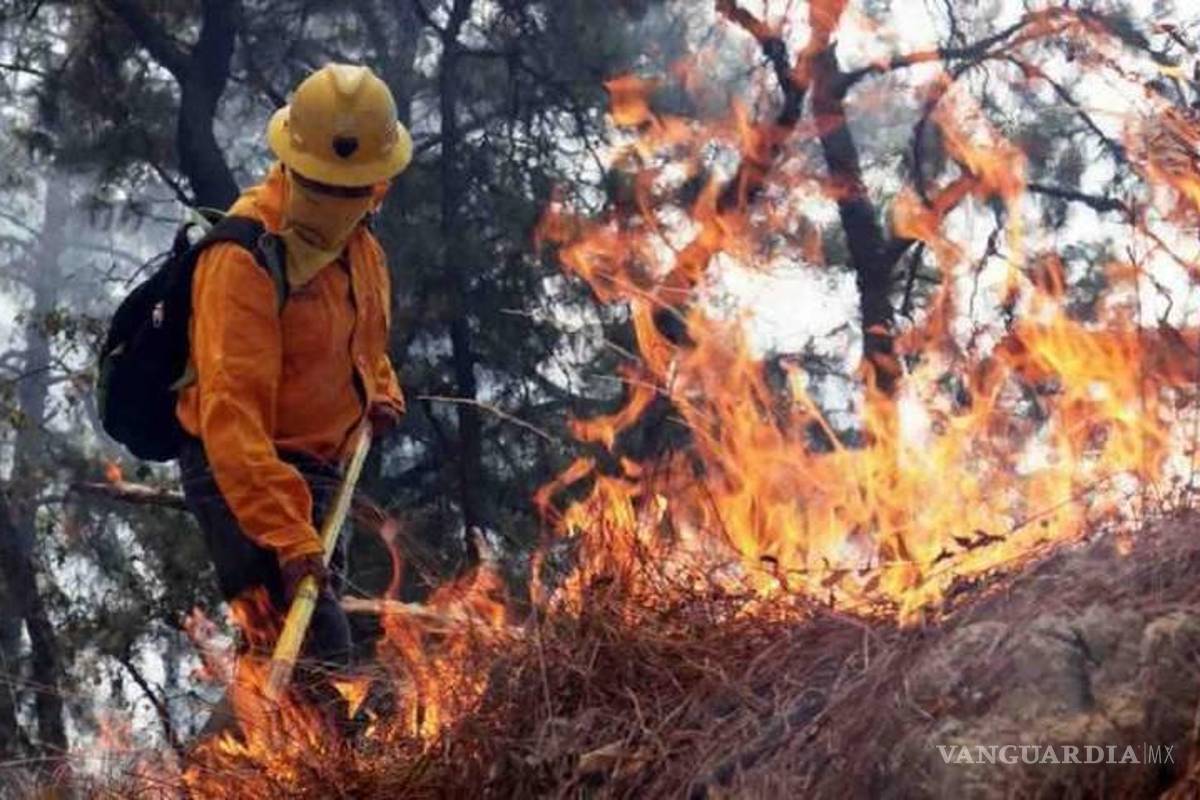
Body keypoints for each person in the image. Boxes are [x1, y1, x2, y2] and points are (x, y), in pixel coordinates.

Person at [176, 62, 410, 725]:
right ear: (295, 168)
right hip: (243, 475)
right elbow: (232, 418)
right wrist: (286, 534)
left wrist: (378, 389)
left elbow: (362, 339)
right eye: (334, 188)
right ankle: (332, 766)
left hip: (321, 469)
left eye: (362, 188)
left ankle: (219, 767)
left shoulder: (360, 245)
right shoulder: (242, 259)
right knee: (319, 665)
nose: (355, 200)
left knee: (279, 661)